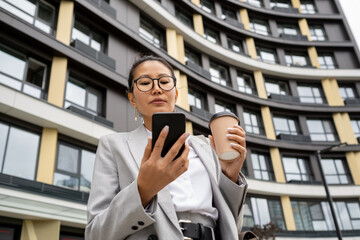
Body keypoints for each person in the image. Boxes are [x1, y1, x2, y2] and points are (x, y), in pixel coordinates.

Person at [85, 55, 248, 240]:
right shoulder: (113, 146)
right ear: (132, 99)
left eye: (164, 81)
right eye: (145, 83)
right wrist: (142, 190)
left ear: (176, 94)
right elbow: (95, 233)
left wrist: (230, 177)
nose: (156, 89)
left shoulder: (205, 147)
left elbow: (232, 226)